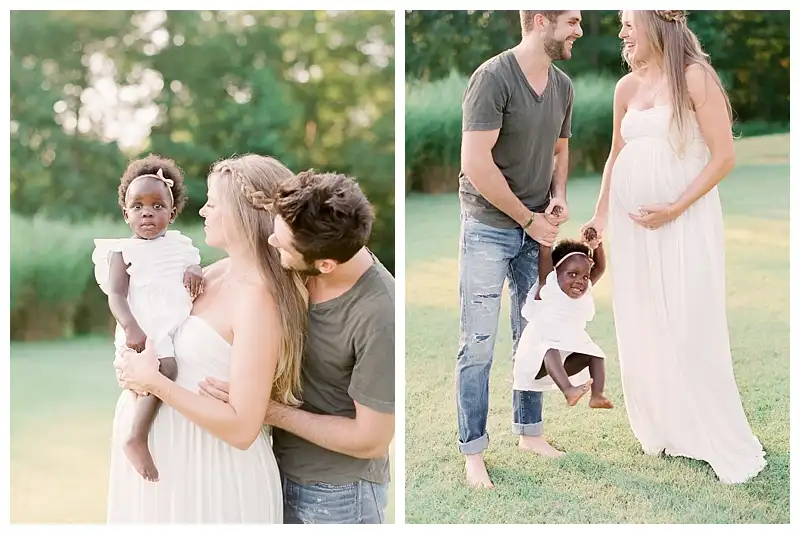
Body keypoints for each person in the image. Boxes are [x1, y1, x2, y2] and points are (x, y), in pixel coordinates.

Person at [580, 10, 766, 484]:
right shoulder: (626, 89)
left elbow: (724, 157)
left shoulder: (696, 79)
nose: (622, 32)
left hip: (685, 221)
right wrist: (601, 217)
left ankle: (711, 433)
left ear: (653, 23)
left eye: (627, 22)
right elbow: (615, 156)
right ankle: (667, 427)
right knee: (643, 321)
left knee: (688, 321)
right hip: (633, 227)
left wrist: (675, 207)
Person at [112, 154, 307, 522]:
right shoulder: (207, 275)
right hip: (161, 469)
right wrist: (128, 359)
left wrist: (154, 382)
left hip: (211, 473)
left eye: (213, 203)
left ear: (243, 213)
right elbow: (148, 319)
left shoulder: (258, 299)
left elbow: (242, 428)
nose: (202, 211)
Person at [198, 170, 395, 524]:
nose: (272, 243)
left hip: (338, 494)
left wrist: (264, 409)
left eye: (283, 244)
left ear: (324, 265)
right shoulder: (301, 259)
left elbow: (372, 440)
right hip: (272, 470)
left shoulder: (379, 316)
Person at [456, 10, 583, 488]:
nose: (579, 30)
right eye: (571, 21)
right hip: (488, 227)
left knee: (536, 334)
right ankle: (474, 451)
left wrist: (558, 197)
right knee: (479, 343)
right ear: (540, 19)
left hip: (537, 231)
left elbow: (559, 149)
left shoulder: (563, 86)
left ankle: (530, 431)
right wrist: (526, 218)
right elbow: (475, 163)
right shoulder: (492, 78)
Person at [92, 157, 204, 482]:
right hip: (140, 326)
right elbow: (115, 295)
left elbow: (195, 266)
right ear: (126, 213)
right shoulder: (122, 251)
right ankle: (135, 436)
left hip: (168, 323)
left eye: (157, 206)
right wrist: (130, 327)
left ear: (172, 212)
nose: (147, 213)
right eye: (138, 206)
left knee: (169, 368)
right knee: (165, 369)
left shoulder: (181, 246)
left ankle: (146, 433)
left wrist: (194, 271)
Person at [513, 236, 613, 409]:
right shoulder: (548, 285)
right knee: (549, 348)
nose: (580, 281)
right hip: (537, 360)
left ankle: (597, 395)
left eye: (584, 277)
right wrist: (549, 229)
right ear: (555, 272)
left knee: (595, 354)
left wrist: (598, 243)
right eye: (572, 274)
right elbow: (545, 251)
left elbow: (600, 268)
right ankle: (568, 390)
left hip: (563, 365)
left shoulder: (584, 290)